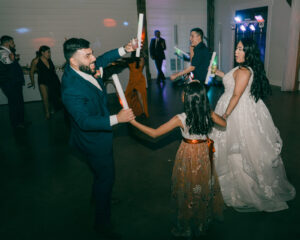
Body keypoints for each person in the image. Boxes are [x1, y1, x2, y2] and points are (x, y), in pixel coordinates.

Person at [61, 38, 136, 239]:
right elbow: (84, 121)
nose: (93, 58)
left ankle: (98, 196)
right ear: (72, 60)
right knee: (106, 177)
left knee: (99, 174)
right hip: (93, 142)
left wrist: (125, 49)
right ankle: (102, 224)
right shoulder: (71, 89)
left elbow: (103, 59)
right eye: (88, 55)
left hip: (99, 137)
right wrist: (117, 118)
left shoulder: (84, 67)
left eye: (91, 52)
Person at [130, 81, 226, 238]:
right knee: (201, 184)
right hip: (203, 154)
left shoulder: (180, 118)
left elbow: (154, 133)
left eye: (183, 93)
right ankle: (202, 222)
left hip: (188, 155)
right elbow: (224, 123)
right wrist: (215, 114)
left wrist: (133, 122)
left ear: (186, 99)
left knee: (188, 186)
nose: (181, 94)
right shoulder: (208, 113)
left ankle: (187, 226)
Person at [210, 38, 296, 212]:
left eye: (240, 49)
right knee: (235, 148)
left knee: (239, 148)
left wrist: (225, 116)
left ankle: (243, 187)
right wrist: (218, 72)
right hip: (234, 106)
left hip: (236, 111)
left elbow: (236, 95)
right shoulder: (241, 69)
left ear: (248, 52)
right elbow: (231, 79)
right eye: (236, 48)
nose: (236, 51)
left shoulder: (244, 71)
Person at [30, 46, 62, 119]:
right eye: (48, 52)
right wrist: (32, 82)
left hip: (53, 80)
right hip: (43, 81)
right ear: (42, 53)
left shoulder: (49, 59)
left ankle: (54, 108)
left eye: (50, 52)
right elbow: (31, 72)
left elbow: (52, 70)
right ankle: (47, 113)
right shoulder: (35, 61)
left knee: (55, 96)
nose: (50, 54)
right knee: (45, 98)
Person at [0, 35, 25, 128]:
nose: (14, 44)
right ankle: (16, 123)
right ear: (7, 43)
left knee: (18, 102)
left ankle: (21, 121)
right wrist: (11, 58)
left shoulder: (8, 51)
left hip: (14, 82)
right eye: (12, 42)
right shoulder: (2, 51)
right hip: (9, 83)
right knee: (14, 103)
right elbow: (6, 60)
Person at [125, 52, 149, 117]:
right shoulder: (131, 61)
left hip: (139, 80)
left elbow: (140, 65)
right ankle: (130, 112)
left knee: (140, 96)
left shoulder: (141, 60)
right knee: (128, 96)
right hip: (132, 81)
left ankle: (144, 112)